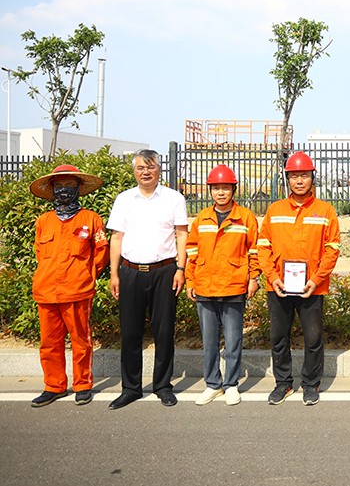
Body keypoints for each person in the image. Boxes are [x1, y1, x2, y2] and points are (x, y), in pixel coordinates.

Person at [107, 149, 189, 409]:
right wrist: (114, 273)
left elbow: (182, 235)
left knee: (164, 332)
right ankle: (130, 388)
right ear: (134, 171)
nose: (146, 172)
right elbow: (116, 238)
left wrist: (181, 268)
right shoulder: (124, 199)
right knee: (130, 332)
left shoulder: (173, 198)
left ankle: (163, 386)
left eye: (151, 167)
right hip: (130, 272)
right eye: (141, 168)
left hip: (165, 272)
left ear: (159, 170)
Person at [258, 151, 340, 406]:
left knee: (313, 338)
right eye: (294, 176)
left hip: (312, 287)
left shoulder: (325, 210)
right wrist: (272, 277)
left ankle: (311, 383)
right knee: (278, 337)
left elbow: (333, 249)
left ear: (312, 177)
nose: (299, 181)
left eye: (304, 175)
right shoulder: (275, 210)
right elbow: (263, 246)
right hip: (279, 286)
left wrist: (316, 279)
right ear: (288, 180)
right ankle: (283, 383)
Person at [29, 165, 109, 407]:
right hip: (46, 291)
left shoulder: (91, 219)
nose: (64, 190)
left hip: (78, 290)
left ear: (78, 189)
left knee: (81, 341)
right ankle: (53, 386)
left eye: (70, 185)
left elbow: (101, 253)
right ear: (52, 189)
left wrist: (85, 275)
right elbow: (40, 253)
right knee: (49, 343)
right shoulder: (43, 221)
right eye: (59, 186)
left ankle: (82, 385)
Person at [185, 165, 260, 406]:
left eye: (225, 188)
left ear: (233, 190)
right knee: (209, 341)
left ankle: (231, 385)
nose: (220, 192)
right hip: (205, 285)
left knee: (233, 340)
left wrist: (254, 278)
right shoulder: (202, 218)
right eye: (216, 188)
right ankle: (212, 384)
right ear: (210, 191)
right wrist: (190, 280)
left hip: (233, 285)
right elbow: (192, 251)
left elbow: (254, 251)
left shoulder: (245, 217)